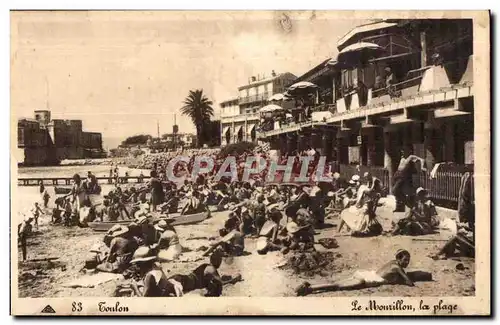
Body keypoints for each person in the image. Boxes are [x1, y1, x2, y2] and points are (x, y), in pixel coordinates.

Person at [295, 249, 415, 296]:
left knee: (336, 283)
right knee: (337, 286)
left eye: (408, 261)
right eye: (405, 260)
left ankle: (310, 285)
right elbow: (409, 283)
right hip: (366, 279)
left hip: (364, 274)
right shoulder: (397, 267)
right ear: (399, 259)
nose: (407, 263)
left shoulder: (392, 262)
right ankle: (310, 288)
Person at [167, 248, 242, 297]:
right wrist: (234, 280)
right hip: (183, 282)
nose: (220, 263)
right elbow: (221, 282)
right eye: (220, 261)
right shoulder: (211, 269)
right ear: (217, 262)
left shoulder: (206, 266)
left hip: (181, 278)